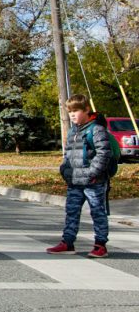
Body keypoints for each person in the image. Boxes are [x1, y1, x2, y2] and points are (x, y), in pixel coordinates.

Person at [47, 94, 112, 258]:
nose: (72, 115)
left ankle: (100, 244)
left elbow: (104, 153)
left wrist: (92, 173)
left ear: (87, 110)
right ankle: (67, 242)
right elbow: (68, 153)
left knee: (97, 211)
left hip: (93, 181)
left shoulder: (96, 129)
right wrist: (64, 169)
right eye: (70, 112)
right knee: (71, 211)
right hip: (75, 180)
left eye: (76, 111)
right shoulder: (73, 131)